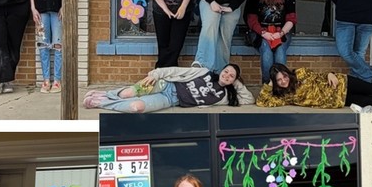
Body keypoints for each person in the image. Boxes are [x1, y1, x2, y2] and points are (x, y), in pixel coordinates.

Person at [258, 63, 372, 111]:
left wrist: (330, 74)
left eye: (284, 76)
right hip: (341, 100)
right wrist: (269, 84)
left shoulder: (299, 73)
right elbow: (261, 102)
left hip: (342, 82)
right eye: (279, 80)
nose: (283, 81)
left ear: (287, 73)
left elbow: (319, 75)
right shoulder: (283, 96)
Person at [83, 62, 253, 113]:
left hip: (170, 99)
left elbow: (249, 99)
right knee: (128, 93)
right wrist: (156, 74)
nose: (227, 75)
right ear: (221, 70)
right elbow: (177, 71)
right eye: (226, 71)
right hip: (166, 84)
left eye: (231, 76)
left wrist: (236, 82)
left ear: (234, 81)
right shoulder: (204, 72)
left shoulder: (224, 97)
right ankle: (105, 93)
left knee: (137, 107)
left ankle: (100, 102)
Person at [244, 0, 296, 83]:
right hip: (260, 31)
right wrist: (263, 33)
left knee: (280, 51)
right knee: (266, 50)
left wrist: (281, 33)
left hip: (281, 31)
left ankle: (281, 84)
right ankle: (267, 85)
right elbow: (251, 19)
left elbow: (291, 18)